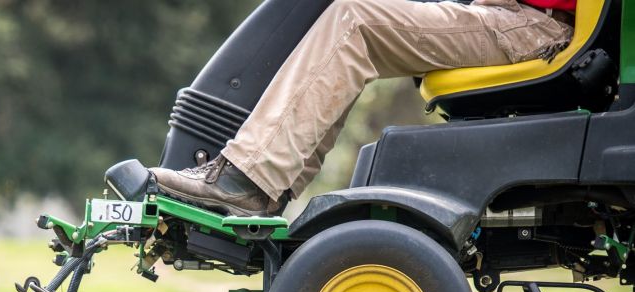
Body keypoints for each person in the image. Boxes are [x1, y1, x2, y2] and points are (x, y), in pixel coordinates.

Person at [150, 0, 575, 216]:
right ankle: (266, 186)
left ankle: (249, 182)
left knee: (355, 19)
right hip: (506, 14)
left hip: (537, 25)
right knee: (350, 16)